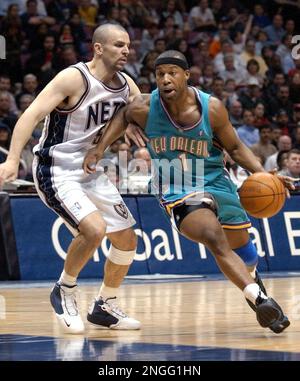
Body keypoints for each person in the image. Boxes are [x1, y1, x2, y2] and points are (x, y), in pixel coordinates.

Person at [83, 50, 296, 334]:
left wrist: (263, 174)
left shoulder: (212, 108)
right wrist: (99, 149)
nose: (166, 79)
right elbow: (123, 114)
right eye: (160, 74)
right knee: (213, 236)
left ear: (187, 75)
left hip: (215, 179)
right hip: (175, 185)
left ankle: (253, 282)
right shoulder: (144, 108)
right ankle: (258, 297)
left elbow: (234, 148)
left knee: (245, 253)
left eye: (172, 72)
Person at [0, 23, 142, 334]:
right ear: (99, 48)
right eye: (119, 45)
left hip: (91, 170)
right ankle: (63, 290)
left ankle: (105, 305)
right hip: (55, 169)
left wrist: (130, 125)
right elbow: (31, 114)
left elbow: (137, 111)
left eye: (128, 45)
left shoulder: (126, 85)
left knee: (127, 239)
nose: (126, 51)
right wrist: (12, 158)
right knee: (93, 230)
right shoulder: (73, 78)